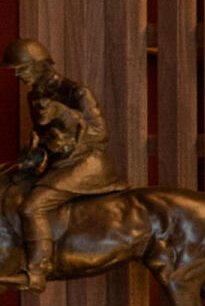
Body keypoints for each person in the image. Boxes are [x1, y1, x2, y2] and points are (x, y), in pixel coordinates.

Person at [1, 39, 127, 289]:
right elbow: (44, 136)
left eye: (23, 69)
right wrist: (34, 151)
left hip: (87, 164)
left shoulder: (75, 92)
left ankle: (37, 272)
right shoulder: (36, 95)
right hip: (56, 164)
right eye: (15, 71)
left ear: (42, 65)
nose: (18, 76)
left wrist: (68, 137)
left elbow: (100, 133)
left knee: (31, 208)